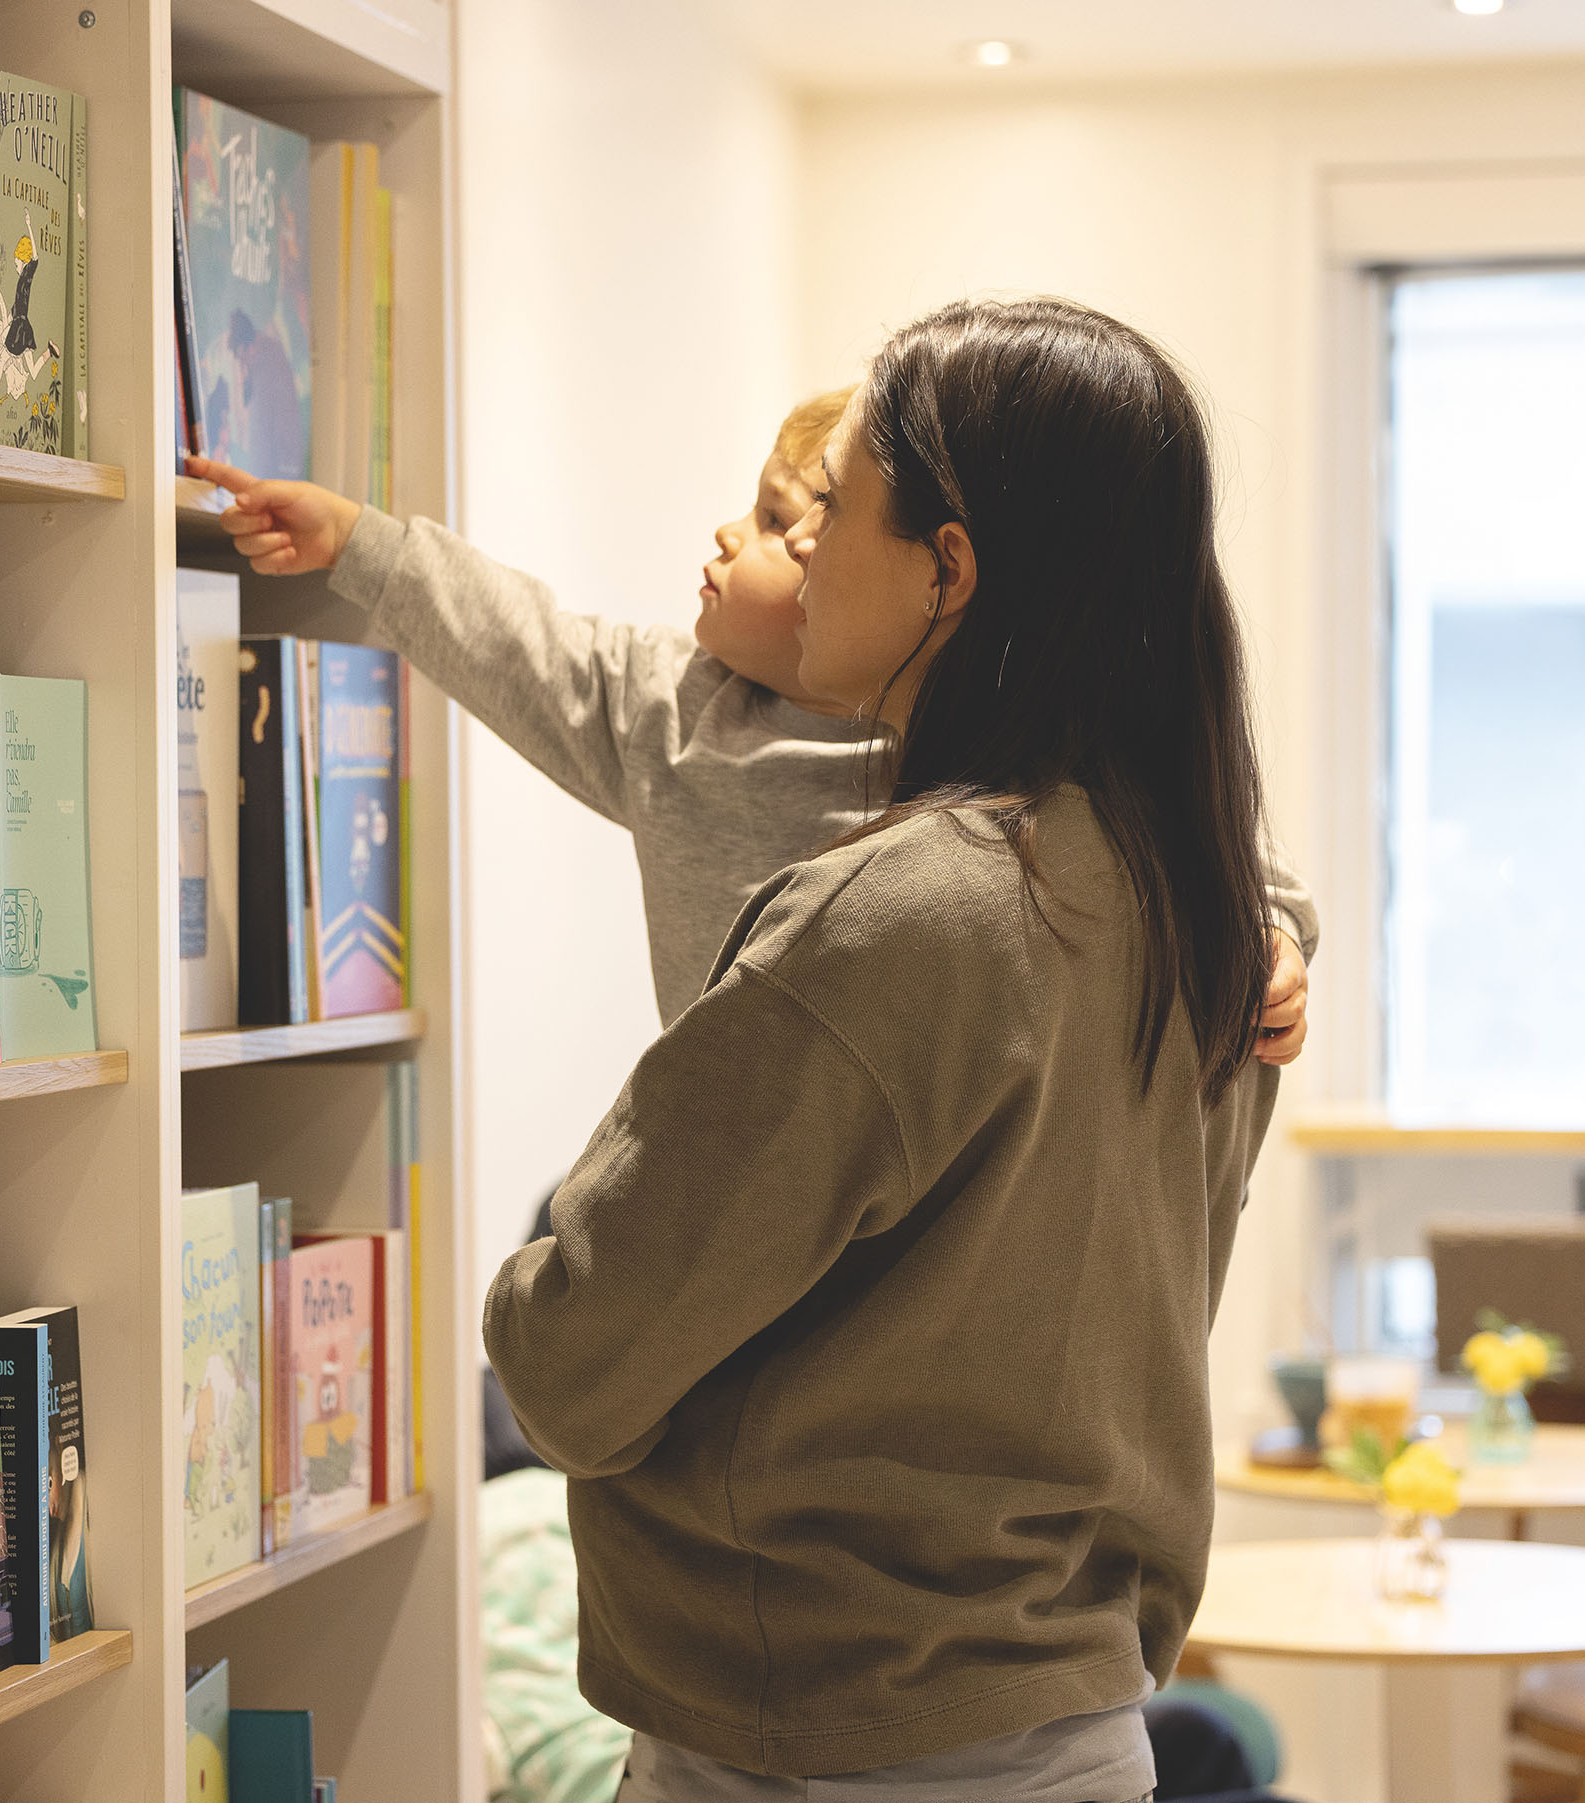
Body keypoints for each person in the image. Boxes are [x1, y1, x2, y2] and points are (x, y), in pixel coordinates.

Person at [482, 297, 1281, 1800]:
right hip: (1069, 1713)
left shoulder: (890, 919)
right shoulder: (1206, 909)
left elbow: (566, 1360)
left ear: (948, 571)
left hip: (814, 1726)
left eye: (834, 507)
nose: (795, 546)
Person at [183, 388, 1315, 1043]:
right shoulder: (676, 715)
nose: (735, 536)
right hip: (742, 1178)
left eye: (780, 523)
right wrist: (357, 541)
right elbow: (520, 639)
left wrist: (1273, 945)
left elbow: (1205, 849)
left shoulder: (994, 742)